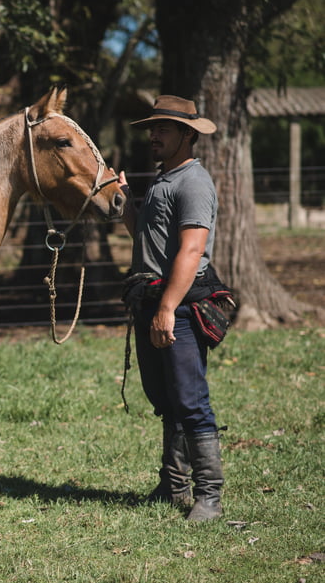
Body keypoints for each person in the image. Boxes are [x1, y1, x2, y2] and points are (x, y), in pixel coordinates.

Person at [117, 95, 225, 521]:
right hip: (154, 301)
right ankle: (173, 484)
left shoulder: (193, 183)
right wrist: (126, 201)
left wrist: (166, 309)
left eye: (163, 128)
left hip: (175, 305)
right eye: (151, 128)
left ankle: (209, 496)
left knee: (190, 398)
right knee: (165, 397)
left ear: (187, 134)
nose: (153, 135)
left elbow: (192, 249)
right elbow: (146, 238)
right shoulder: (164, 181)